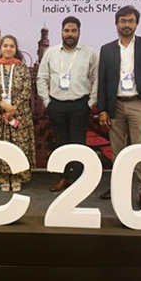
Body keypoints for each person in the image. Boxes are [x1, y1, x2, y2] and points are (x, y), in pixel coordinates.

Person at [97, 5, 141, 203]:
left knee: (140, 149)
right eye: (123, 21)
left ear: (136, 24)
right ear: (116, 24)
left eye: (131, 21)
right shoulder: (107, 49)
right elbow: (102, 80)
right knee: (117, 151)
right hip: (115, 105)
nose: (127, 24)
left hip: (138, 104)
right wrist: (102, 109)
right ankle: (118, 187)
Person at [37, 16, 98, 192]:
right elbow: (41, 78)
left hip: (80, 105)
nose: (69, 34)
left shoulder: (89, 53)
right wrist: (48, 102)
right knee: (61, 143)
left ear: (79, 32)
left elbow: (97, 79)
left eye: (73, 31)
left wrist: (90, 103)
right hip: (57, 105)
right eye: (66, 30)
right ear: (62, 32)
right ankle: (63, 178)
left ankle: (79, 180)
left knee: (79, 144)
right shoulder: (51, 53)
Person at [0, 35, 36, 192]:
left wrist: (14, 107)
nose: (8, 49)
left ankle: (17, 176)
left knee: (18, 145)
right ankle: (2, 177)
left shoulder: (22, 67)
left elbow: (27, 89)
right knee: (0, 145)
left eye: (11, 46)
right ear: (0, 48)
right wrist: (4, 105)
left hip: (19, 112)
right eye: (5, 45)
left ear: (15, 49)